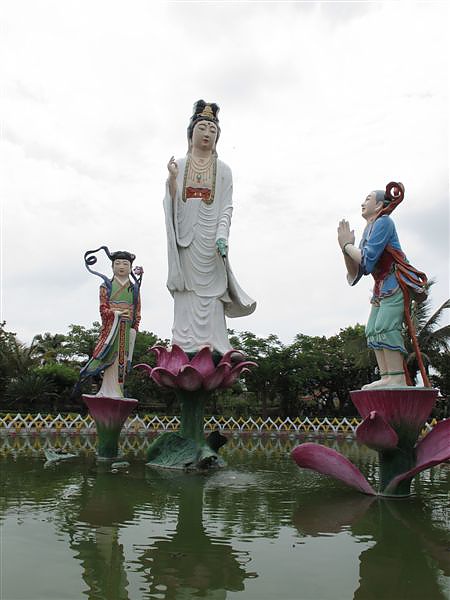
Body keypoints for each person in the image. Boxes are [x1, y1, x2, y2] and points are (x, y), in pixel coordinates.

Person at [164, 100, 256, 356]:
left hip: (211, 238)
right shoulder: (180, 166)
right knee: (187, 290)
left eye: (212, 130)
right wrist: (172, 179)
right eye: (202, 128)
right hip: (185, 237)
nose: (207, 134)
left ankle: (217, 344)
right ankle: (182, 343)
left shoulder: (224, 170)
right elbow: (172, 201)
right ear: (191, 133)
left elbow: (226, 207)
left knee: (213, 292)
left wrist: (222, 235)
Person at [337, 183, 427, 389]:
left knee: (386, 326)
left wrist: (347, 246)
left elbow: (367, 260)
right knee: (372, 329)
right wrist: (345, 248)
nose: (362, 203)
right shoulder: (369, 228)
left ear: (379, 206)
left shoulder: (384, 222)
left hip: (395, 282)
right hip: (381, 285)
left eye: (367, 199)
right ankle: (387, 376)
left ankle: (397, 378)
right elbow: (358, 271)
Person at [78, 248, 142, 398]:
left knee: (123, 359)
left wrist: (135, 328)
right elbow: (103, 308)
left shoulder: (134, 289)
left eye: (125, 264)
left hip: (126, 329)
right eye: (118, 263)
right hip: (111, 328)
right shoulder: (106, 285)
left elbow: (137, 312)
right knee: (109, 357)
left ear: (131, 268)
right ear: (112, 266)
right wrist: (115, 314)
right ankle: (106, 389)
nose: (121, 267)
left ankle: (118, 390)